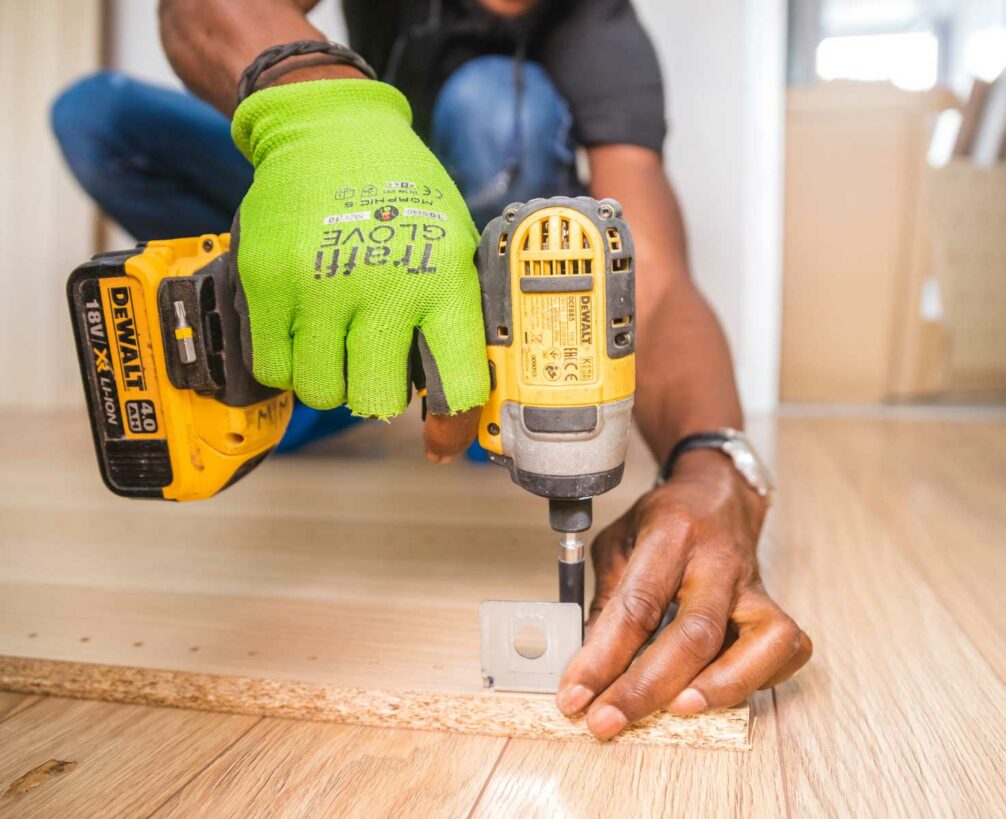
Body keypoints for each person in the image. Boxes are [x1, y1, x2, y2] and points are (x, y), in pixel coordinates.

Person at [51, 0, 812, 741]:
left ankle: (433, 370)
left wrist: (715, 466)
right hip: (344, 208)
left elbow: (659, 283)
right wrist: (323, 111)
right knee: (101, 116)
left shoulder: (602, 28)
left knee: (495, 103)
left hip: (475, 280)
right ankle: (332, 347)